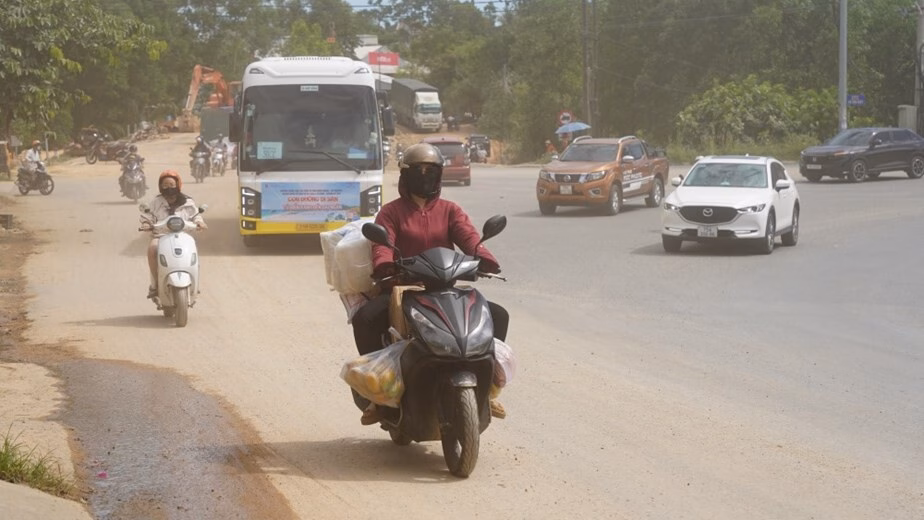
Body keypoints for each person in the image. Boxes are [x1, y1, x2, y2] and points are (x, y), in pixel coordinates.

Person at [350, 142, 510, 425]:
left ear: (439, 174)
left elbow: (470, 237)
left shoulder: (450, 210)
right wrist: (384, 264)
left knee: (496, 315)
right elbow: (382, 244)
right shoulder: (391, 212)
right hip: (403, 287)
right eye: (419, 170)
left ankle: (490, 389)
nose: (425, 175)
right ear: (405, 175)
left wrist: (484, 258)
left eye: (431, 170)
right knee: (366, 317)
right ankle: (376, 391)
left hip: (444, 287)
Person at [142, 170, 207, 298]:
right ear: (160, 186)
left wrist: (200, 223)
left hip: (184, 236)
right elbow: (148, 216)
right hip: (161, 236)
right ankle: (155, 285)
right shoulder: (156, 202)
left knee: (193, 251)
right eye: (165, 185)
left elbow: (196, 216)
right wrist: (146, 224)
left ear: (178, 184)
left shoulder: (188, 202)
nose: (169, 188)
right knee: (152, 249)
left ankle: (194, 283)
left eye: (172, 185)